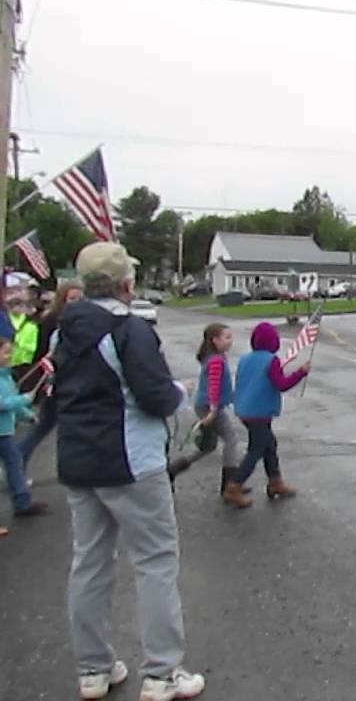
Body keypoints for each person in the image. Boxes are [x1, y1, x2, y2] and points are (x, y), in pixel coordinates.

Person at [54, 242, 205, 700]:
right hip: (130, 461)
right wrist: (179, 391)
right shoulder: (128, 329)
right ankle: (161, 672)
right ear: (126, 283)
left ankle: (93, 669)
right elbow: (156, 396)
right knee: (156, 561)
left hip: (79, 459)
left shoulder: (63, 331)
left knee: (90, 562)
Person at [221, 322, 309, 509]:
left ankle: (275, 481)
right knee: (257, 449)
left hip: (245, 409)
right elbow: (281, 384)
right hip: (259, 412)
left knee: (269, 444)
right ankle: (234, 485)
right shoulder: (271, 360)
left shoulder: (245, 359)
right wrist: (300, 373)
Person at [168, 324, 243, 496]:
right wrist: (214, 410)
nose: (230, 341)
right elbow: (213, 387)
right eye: (227, 337)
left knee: (208, 446)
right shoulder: (216, 360)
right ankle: (230, 485)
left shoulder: (215, 357)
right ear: (214, 340)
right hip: (209, 407)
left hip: (206, 406)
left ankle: (173, 469)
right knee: (231, 440)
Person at [18, 281, 83, 469]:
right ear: (62, 299)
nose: (76, 302)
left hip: (71, 380)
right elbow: (42, 352)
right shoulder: (52, 320)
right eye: (72, 298)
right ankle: (18, 459)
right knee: (46, 425)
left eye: (79, 299)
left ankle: (18, 459)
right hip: (54, 382)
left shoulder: (81, 320)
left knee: (47, 426)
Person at [0, 336, 46, 519]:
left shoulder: (6, 377)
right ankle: (22, 502)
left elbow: (12, 406)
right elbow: (3, 404)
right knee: (14, 463)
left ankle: (22, 501)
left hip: (5, 431)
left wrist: (27, 415)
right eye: (5, 352)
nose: (9, 356)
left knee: (14, 462)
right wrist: (25, 400)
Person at [8, 291, 38, 390]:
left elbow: (33, 346)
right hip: (8, 360)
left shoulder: (30, 324)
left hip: (23, 362)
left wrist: (20, 344)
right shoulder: (6, 319)